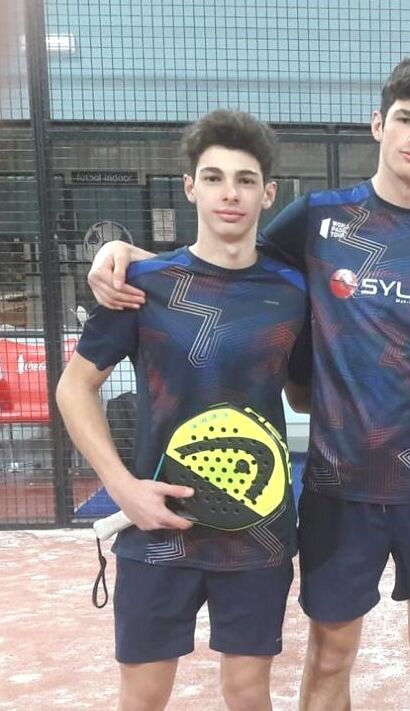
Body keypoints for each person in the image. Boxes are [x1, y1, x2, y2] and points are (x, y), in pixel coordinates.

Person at [85, 57, 410, 711]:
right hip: (341, 492)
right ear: (378, 125)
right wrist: (131, 257)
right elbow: (225, 255)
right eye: (405, 120)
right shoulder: (315, 220)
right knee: (330, 654)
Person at [57, 110, 310, 711]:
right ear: (190, 186)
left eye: (246, 180)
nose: (230, 193)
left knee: (248, 691)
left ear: (268, 193)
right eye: (214, 177)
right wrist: (123, 489)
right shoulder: (142, 284)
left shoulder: (293, 291)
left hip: (256, 525)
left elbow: (303, 393)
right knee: (144, 695)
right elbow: (74, 388)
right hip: (155, 526)